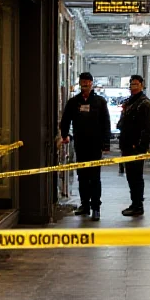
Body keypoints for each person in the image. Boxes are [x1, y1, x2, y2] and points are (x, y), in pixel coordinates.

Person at [60, 72, 110, 221]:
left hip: (95, 145)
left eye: (87, 82)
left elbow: (106, 123)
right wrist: (64, 135)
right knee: (82, 176)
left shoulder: (100, 102)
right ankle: (84, 205)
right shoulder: (74, 102)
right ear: (80, 84)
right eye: (83, 82)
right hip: (80, 144)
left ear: (91, 83)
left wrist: (106, 143)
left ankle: (96, 208)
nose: (85, 84)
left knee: (94, 177)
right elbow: (65, 119)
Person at [118, 75, 150, 217]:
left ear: (142, 85)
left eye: (136, 84)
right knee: (131, 176)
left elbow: (147, 128)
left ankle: (138, 205)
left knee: (136, 176)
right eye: (131, 84)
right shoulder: (129, 102)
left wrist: (140, 147)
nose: (133, 87)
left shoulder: (144, 103)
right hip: (126, 144)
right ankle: (135, 203)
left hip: (135, 146)